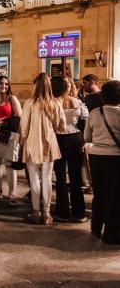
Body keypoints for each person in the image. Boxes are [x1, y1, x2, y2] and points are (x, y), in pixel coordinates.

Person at [20, 73, 65, 225]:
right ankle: (46, 214)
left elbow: (23, 128)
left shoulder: (29, 103)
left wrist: (21, 142)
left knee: (34, 179)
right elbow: (61, 126)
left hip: (32, 143)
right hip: (49, 143)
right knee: (47, 179)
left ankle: (35, 212)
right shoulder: (55, 103)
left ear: (36, 85)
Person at [84, 80, 120, 244]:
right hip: (115, 158)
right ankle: (112, 234)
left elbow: (87, 137)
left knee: (100, 194)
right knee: (115, 197)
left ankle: (96, 229)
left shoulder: (94, 113)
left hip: (96, 156)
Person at [51, 76, 88, 223]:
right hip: (76, 138)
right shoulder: (75, 101)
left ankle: (62, 212)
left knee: (60, 177)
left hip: (59, 138)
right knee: (75, 176)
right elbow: (85, 118)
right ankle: (79, 213)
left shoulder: (51, 103)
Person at [0, 76, 22, 206]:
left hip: (8, 133)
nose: (4, 86)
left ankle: (12, 193)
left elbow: (19, 116)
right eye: (1, 83)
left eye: (6, 84)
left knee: (9, 164)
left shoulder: (12, 99)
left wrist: (4, 122)